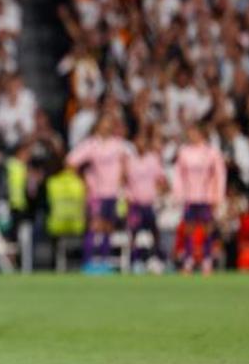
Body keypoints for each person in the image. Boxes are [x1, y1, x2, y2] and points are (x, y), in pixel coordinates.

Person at [65, 114, 129, 272]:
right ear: (98, 126)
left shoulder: (117, 144)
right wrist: (84, 180)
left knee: (108, 227)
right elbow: (70, 162)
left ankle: (104, 261)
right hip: (96, 193)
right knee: (94, 227)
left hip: (113, 193)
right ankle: (88, 262)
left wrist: (123, 180)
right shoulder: (91, 144)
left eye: (109, 124)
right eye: (104, 123)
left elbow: (125, 163)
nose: (106, 127)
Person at [172, 125, 226, 274]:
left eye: (194, 132)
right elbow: (178, 174)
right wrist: (178, 194)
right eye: (189, 132)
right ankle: (188, 260)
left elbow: (219, 174)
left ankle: (207, 261)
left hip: (206, 196)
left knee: (207, 229)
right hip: (190, 196)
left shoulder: (211, 152)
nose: (191, 135)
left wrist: (218, 195)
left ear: (201, 133)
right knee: (188, 229)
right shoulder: (184, 152)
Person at [124, 131, 166, 273]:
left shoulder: (153, 159)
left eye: (143, 140)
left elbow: (161, 180)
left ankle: (154, 258)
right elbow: (124, 180)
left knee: (154, 231)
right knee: (134, 233)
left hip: (150, 203)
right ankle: (135, 260)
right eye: (138, 140)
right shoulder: (130, 160)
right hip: (135, 203)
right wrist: (128, 196)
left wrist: (159, 193)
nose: (141, 144)